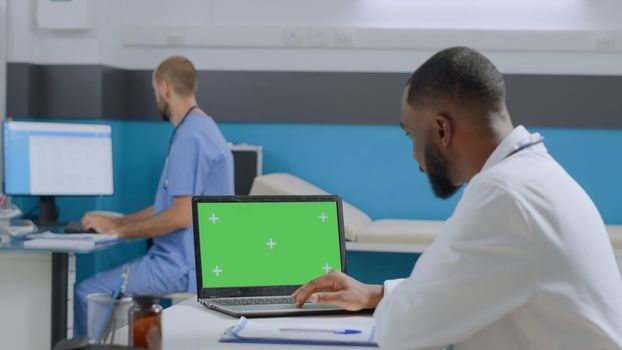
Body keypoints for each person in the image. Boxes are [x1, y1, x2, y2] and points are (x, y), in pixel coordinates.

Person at [292, 47, 622, 349]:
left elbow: (403, 332)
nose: (414, 156)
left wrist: (393, 306)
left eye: (411, 135)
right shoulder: (537, 176)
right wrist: (378, 293)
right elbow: (481, 282)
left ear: (441, 130)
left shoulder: (504, 196)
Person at [74, 56, 234, 336]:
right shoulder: (202, 128)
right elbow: (167, 206)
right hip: (192, 259)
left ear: (164, 88)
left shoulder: (190, 138)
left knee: (88, 292)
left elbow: (181, 216)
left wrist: (121, 231)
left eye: (154, 92)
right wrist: (119, 223)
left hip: (181, 265)